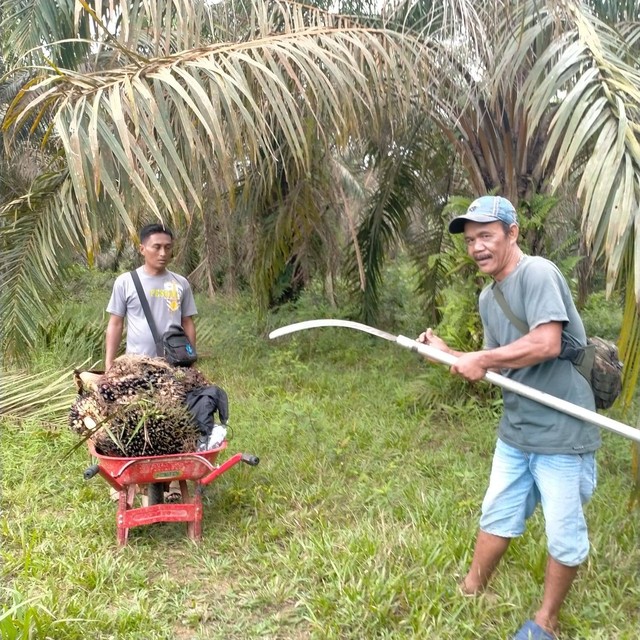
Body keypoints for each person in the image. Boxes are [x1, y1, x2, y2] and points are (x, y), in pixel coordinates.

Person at [418, 196, 600, 640]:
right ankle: (471, 587)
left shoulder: (537, 273)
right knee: (497, 511)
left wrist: (479, 357)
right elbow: (496, 363)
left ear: (512, 233)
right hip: (517, 430)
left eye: (486, 236)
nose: (477, 246)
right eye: (470, 240)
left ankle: (546, 622)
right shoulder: (488, 296)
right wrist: (451, 355)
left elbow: (546, 344)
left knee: (563, 532)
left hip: (561, 429)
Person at [105, 223, 197, 370]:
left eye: (168, 247)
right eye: (157, 247)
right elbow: (115, 323)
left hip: (175, 365)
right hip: (136, 364)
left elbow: (187, 323)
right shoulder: (126, 282)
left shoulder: (181, 283)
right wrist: (109, 363)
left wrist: (190, 360)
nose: (163, 253)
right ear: (142, 249)